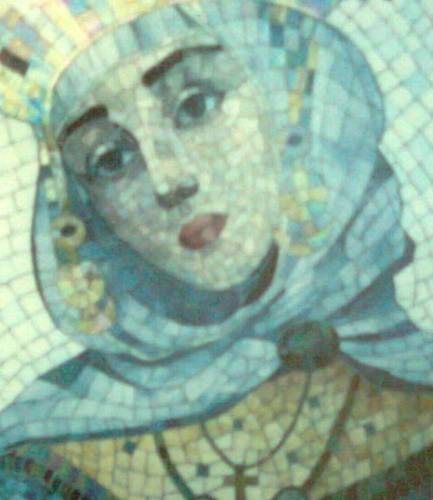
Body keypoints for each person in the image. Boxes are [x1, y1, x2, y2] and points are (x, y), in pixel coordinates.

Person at [0, 0, 432, 494]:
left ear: (290, 98)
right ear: (84, 212)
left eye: (195, 106)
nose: (169, 180)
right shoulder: (44, 466)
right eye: (110, 158)